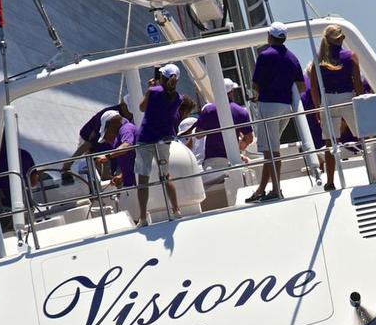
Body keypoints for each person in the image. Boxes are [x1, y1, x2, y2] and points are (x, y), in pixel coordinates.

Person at [246, 22, 305, 202]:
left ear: (270, 36)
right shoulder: (293, 58)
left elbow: (255, 85)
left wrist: (255, 96)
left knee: (271, 151)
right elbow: (301, 87)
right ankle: (261, 190)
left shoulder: (264, 56)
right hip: (286, 107)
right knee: (270, 150)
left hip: (268, 106)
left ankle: (276, 189)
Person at [307, 24, 364, 191]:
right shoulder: (351, 56)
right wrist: (361, 101)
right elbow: (358, 83)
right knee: (364, 135)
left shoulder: (317, 61)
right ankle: (373, 170)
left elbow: (314, 88)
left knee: (330, 142)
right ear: (339, 39)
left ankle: (330, 181)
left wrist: (318, 108)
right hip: (347, 98)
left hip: (328, 101)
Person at [135, 63, 183, 222]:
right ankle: (176, 210)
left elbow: (142, 108)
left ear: (161, 77)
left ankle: (142, 218)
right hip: (164, 140)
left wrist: (149, 89)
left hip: (146, 138)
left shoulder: (153, 91)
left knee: (143, 179)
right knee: (166, 176)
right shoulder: (178, 98)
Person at [192, 78, 254, 172]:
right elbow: (249, 138)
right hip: (233, 159)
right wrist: (239, 147)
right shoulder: (241, 112)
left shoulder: (208, 110)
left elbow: (199, 135)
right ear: (232, 92)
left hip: (212, 160)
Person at [66, 97, 134, 165]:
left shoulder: (130, 119)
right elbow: (90, 141)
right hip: (89, 139)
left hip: (107, 147)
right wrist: (69, 163)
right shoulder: (109, 118)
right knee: (88, 165)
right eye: (129, 110)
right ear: (123, 105)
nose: (130, 114)